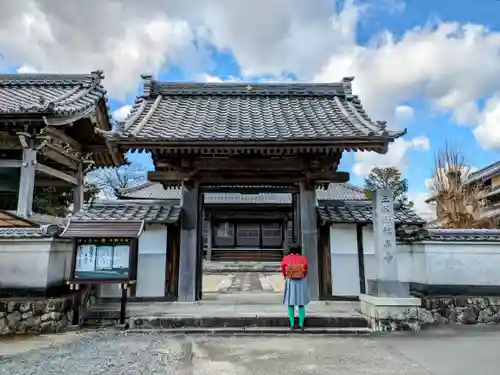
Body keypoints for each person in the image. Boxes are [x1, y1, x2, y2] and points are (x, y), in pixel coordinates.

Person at [281, 244, 310, 331]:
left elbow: (283, 268)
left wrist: (285, 276)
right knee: (301, 304)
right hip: (301, 281)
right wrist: (303, 275)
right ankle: (301, 324)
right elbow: (306, 269)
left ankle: (292, 324)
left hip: (290, 281)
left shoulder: (286, 258)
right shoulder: (302, 258)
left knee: (290, 303)